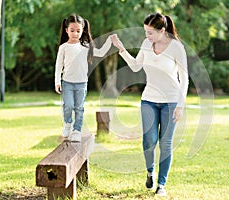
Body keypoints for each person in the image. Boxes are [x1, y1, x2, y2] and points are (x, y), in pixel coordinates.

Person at [111, 13, 189, 196]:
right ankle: (150, 171)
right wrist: (121, 48)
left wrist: (181, 105)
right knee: (149, 140)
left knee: (166, 143)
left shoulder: (177, 48)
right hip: (149, 100)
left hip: (171, 101)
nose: (147, 36)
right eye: (145, 31)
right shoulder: (147, 45)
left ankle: (161, 184)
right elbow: (136, 66)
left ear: (163, 31)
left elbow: (184, 79)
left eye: (151, 32)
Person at [54, 13, 113, 142]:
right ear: (66, 30)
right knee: (68, 106)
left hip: (81, 83)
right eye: (72, 30)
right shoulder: (63, 47)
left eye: (78, 31)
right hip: (67, 83)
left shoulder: (86, 46)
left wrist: (109, 41)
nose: (75, 33)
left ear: (82, 31)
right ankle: (68, 124)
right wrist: (57, 81)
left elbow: (101, 52)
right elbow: (58, 65)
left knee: (79, 108)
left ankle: (77, 130)